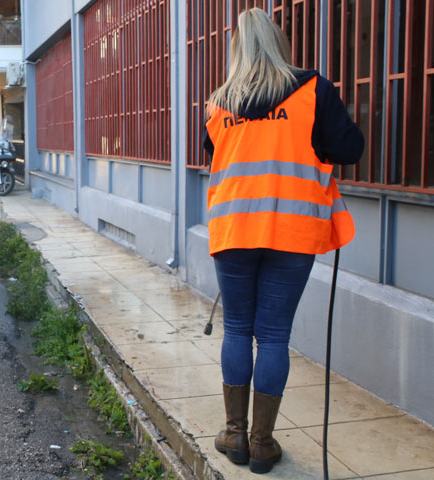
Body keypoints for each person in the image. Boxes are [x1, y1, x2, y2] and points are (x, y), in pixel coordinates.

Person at [203, 8, 363, 475]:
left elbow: (215, 158)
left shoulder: (217, 105)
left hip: (233, 231)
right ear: (278, 43)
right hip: (291, 232)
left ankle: (233, 433)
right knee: (272, 335)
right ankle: (261, 444)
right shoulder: (313, 90)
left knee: (237, 329)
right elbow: (349, 149)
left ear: (236, 48)